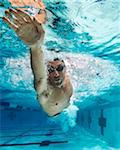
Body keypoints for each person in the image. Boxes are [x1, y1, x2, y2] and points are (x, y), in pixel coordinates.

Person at [2, 3, 73, 117]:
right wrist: (35, 48)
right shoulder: (45, 93)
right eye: (50, 69)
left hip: (65, 106)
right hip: (53, 113)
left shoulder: (65, 77)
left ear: (65, 67)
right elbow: (40, 79)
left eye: (59, 68)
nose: (55, 73)